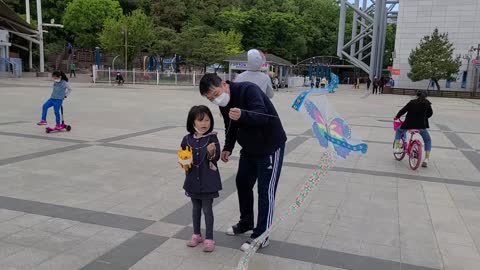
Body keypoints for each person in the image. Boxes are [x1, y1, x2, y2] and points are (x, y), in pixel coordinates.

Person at [199, 73, 287, 252]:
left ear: (224, 84)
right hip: (249, 149)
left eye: (216, 94)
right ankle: (246, 222)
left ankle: (262, 236)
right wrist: (228, 147)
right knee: (242, 183)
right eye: (211, 99)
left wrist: (243, 115)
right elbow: (229, 125)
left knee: (265, 191)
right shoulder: (224, 104)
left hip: (270, 146)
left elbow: (263, 115)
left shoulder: (248, 90)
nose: (216, 100)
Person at [180, 105, 222, 252]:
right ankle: (196, 234)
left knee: (207, 209)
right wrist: (183, 160)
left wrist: (212, 152)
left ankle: (209, 238)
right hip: (192, 180)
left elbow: (216, 158)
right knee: (195, 208)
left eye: (207, 120)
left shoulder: (212, 138)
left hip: (208, 181)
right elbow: (182, 157)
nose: (204, 123)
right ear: (192, 122)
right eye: (200, 120)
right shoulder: (187, 139)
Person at [393, 91, 433, 168]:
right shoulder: (427, 103)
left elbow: (403, 110)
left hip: (408, 125)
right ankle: (426, 159)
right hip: (421, 126)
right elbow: (430, 113)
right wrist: (424, 117)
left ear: (417, 96)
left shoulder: (412, 102)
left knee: (398, 130)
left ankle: (397, 148)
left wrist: (397, 117)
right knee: (427, 140)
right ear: (426, 97)